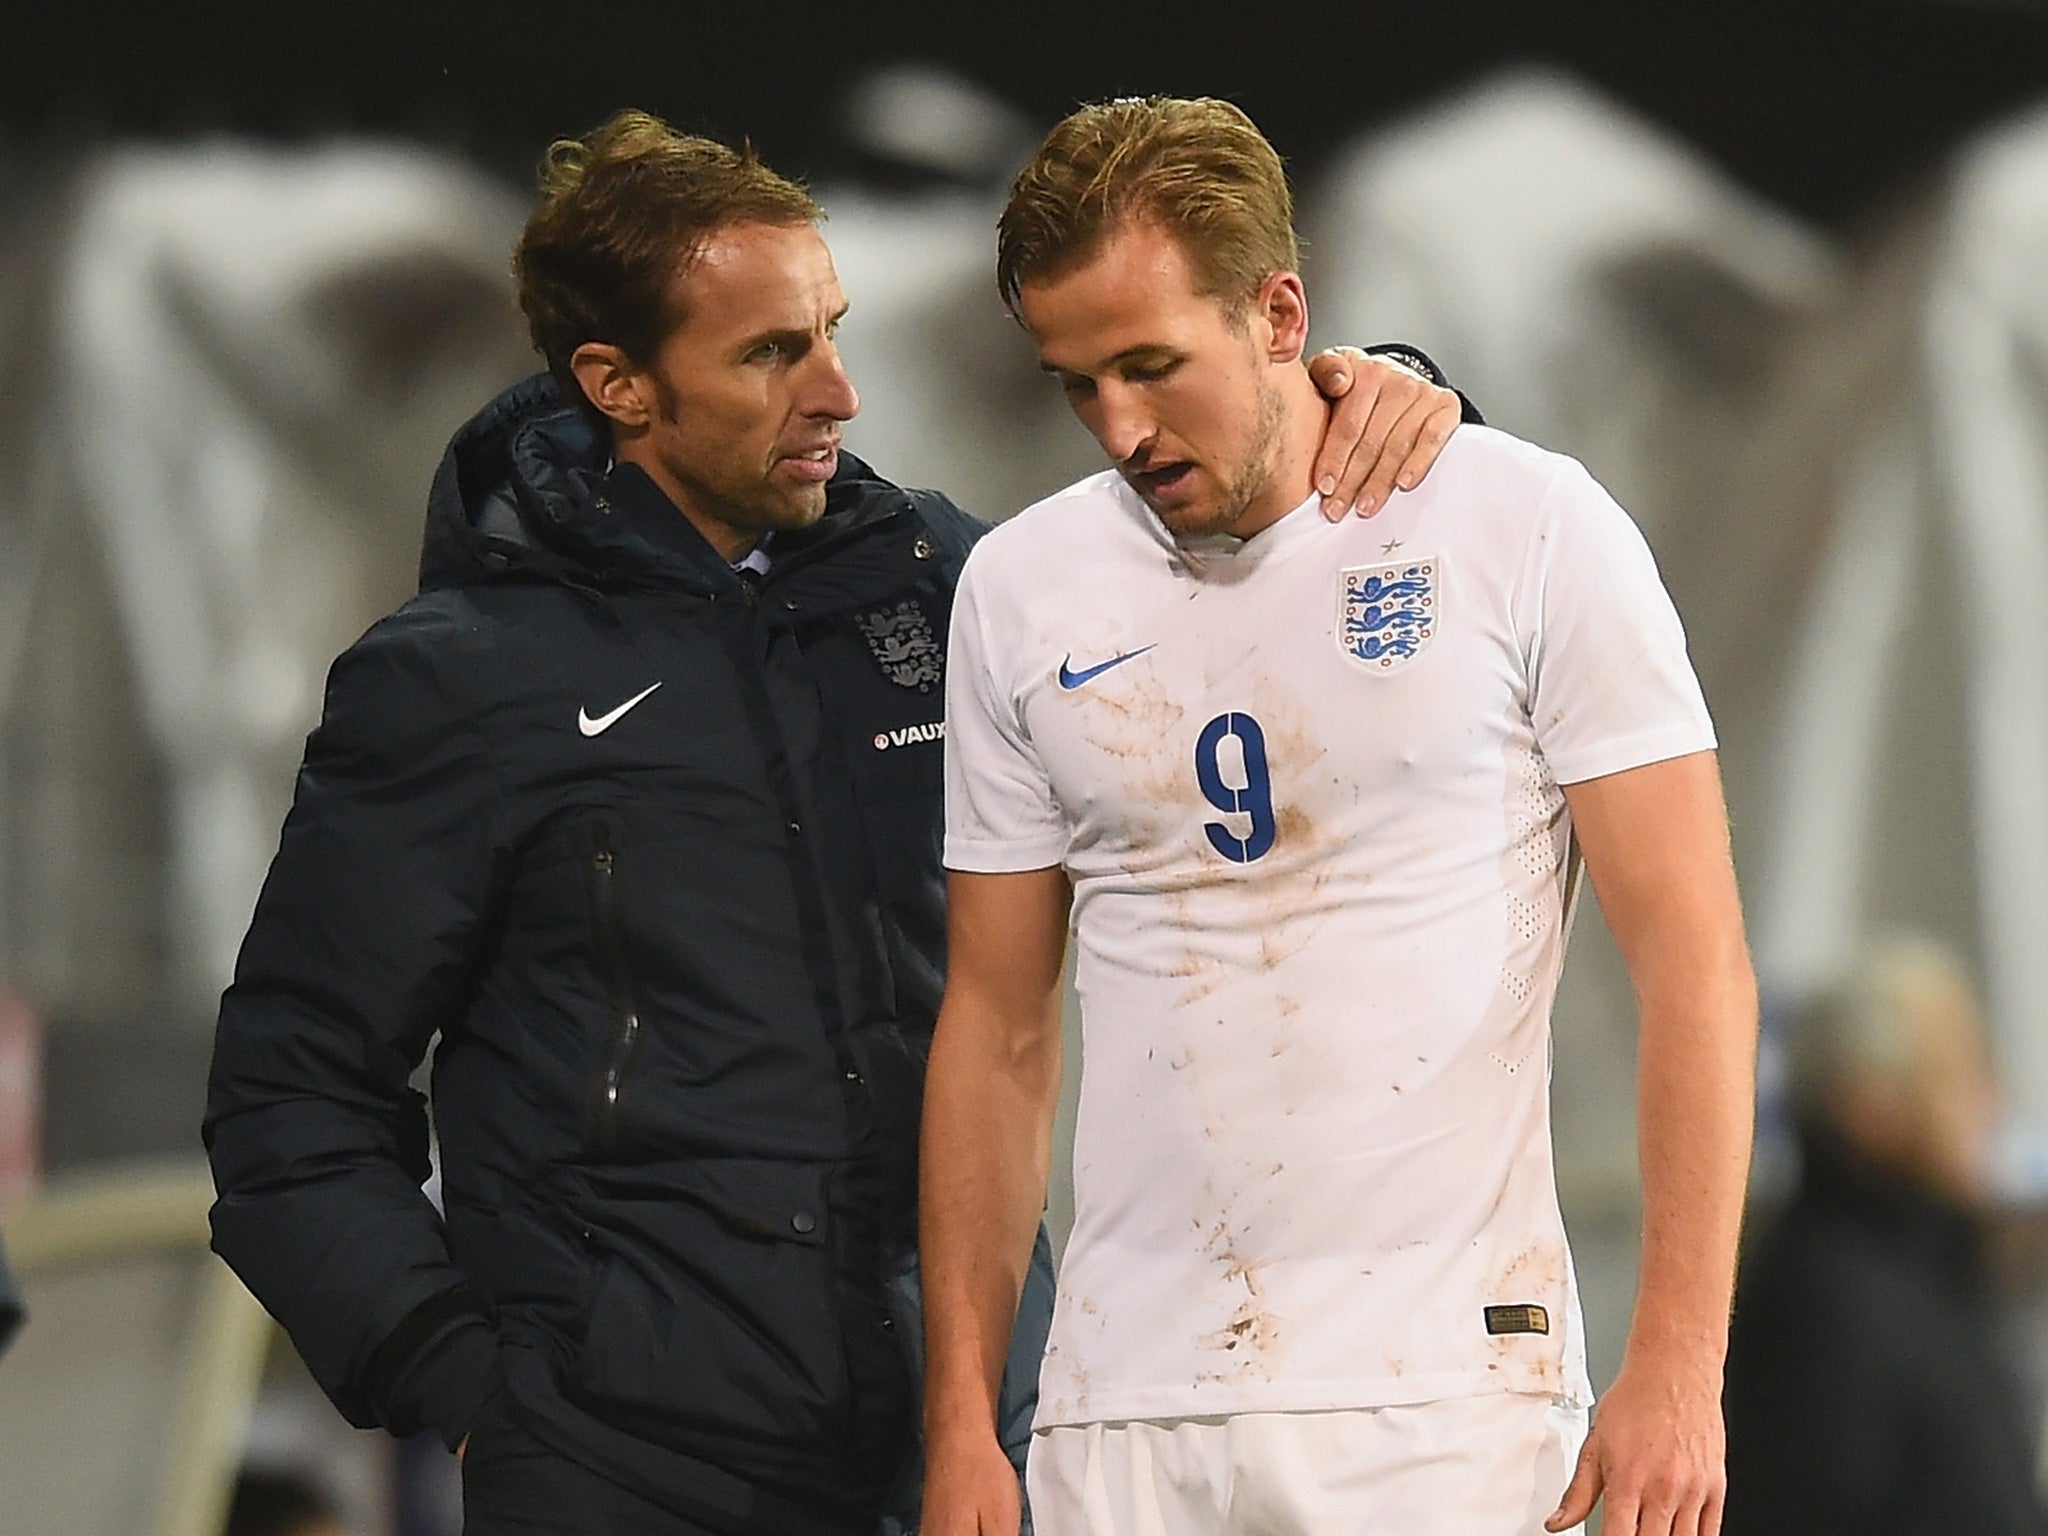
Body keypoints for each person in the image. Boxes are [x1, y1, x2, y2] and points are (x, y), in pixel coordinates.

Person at [201, 109, 1468, 1536]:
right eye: (770, 353)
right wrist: (476, 1394)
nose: (840, 391)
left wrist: (1386, 401)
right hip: (629, 1473)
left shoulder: (949, 582)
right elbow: (287, 1102)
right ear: (618, 383)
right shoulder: (457, 683)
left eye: (831, 330)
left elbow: (1251, 589)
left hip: (976, 1455)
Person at [919, 96, 1759, 1536]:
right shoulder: (1017, 589)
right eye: (1075, 385)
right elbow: (996, 1027)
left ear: (1278, 310)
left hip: (1446, 1408)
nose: (1120, 426)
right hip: (1122, 1412)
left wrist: (1680, 1369)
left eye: (1151, 366)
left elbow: (1697, 963)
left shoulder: (1526, 529)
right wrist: (963, 1425)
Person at [1723, 938, 2048, 1536]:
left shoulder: (1934, 1271)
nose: (1987, 1103)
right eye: (1952, 1077)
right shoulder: (1821, 1300)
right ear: (1865, 1105)